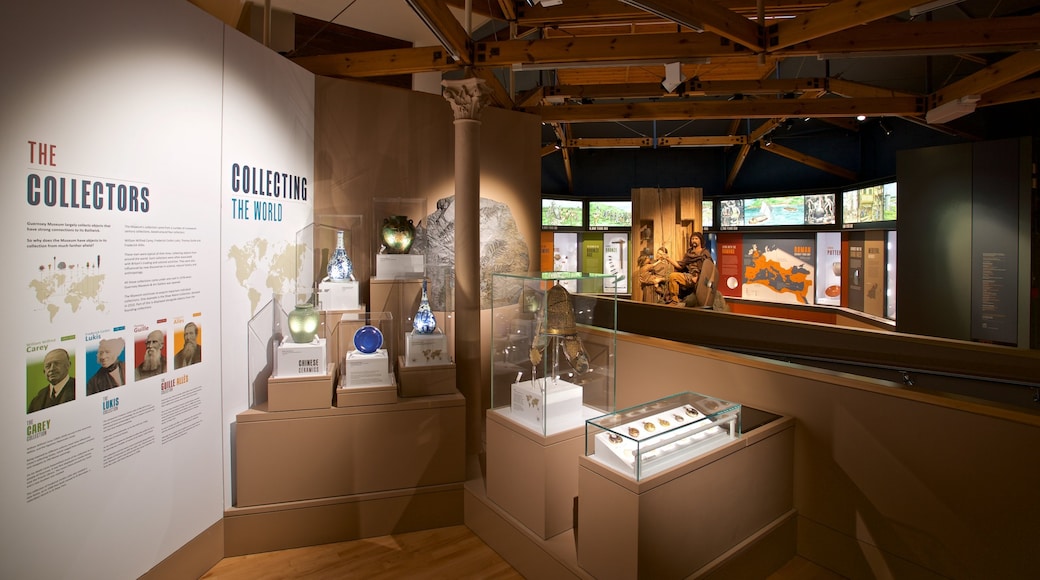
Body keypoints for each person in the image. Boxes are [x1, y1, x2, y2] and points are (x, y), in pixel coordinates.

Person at [660, 232, 709, 306]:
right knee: (673, 276)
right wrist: (667, 258)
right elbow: (680, 266)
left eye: (696, 239)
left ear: (700, 240)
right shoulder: (689, 254)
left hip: (700, 278)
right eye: (692, 239)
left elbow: (708, 268)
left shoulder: (705, 253)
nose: (694, 240)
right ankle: (674, 301)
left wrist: (698, 277)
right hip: (689, 276)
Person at [28, 348, 75, 413]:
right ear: (44, 371)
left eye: (57, 363)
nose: (52, 369)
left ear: (68, 365)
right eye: (48, 366)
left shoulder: (81, 387)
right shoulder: (36, 401)